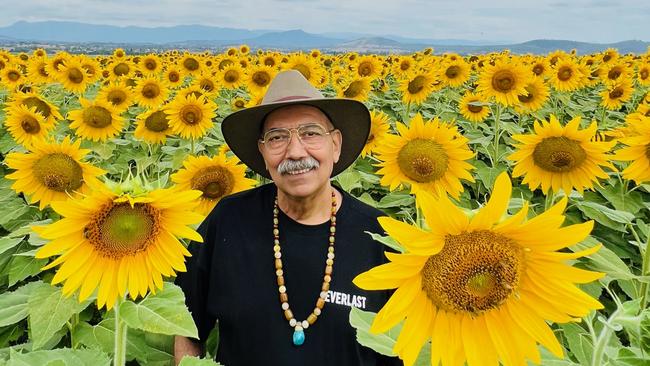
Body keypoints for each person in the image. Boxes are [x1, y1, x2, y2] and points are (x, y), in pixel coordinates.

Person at [174, 70, 401, 366]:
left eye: (310, 133)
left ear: (336, 145)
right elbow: (184, 325)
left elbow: (402, 349)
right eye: (277, 137)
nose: (295, 152)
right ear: (263, 151)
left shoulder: (380, 237)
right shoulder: (228, 221)